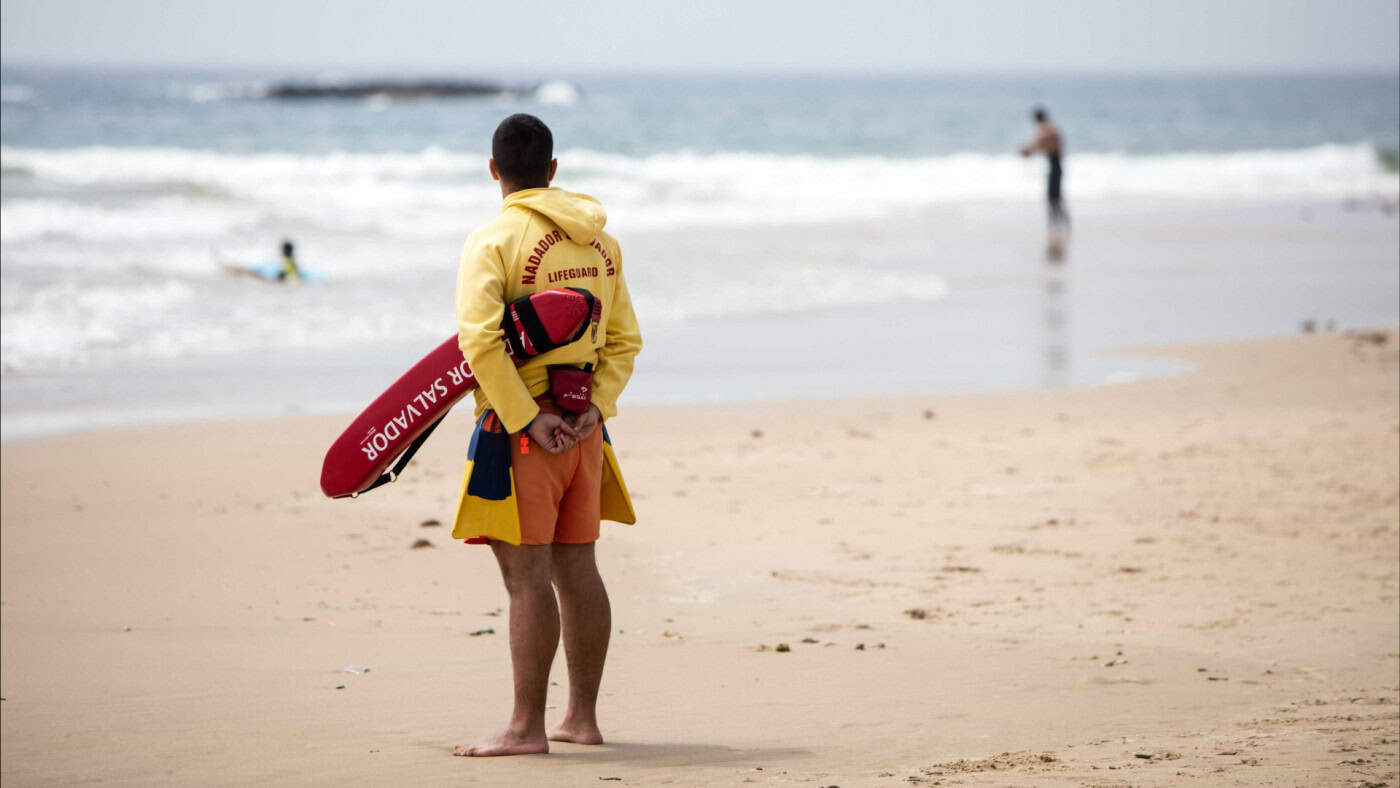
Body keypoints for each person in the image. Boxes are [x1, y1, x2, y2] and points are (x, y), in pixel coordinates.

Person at [449, 113, 643, 757]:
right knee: (578, 567)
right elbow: (624, 340)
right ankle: (581, 720)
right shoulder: (601, 244)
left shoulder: (494, 240)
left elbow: (479, 340)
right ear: (553, 170)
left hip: (524, 433)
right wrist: (598, 408)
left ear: (494, 170)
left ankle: (526, 728)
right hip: (585, 429)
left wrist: (526, 417)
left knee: (526, 577)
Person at [1020, 106, 1069, 253]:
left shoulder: (1046, 129)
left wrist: (1029, 150)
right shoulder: (1050, 129)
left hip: (1055, 167)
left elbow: (1044, 143)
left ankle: (1057, 227)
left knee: (1053, 198)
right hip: (1056, 166)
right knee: (1055, 198)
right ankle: (1060, 225)